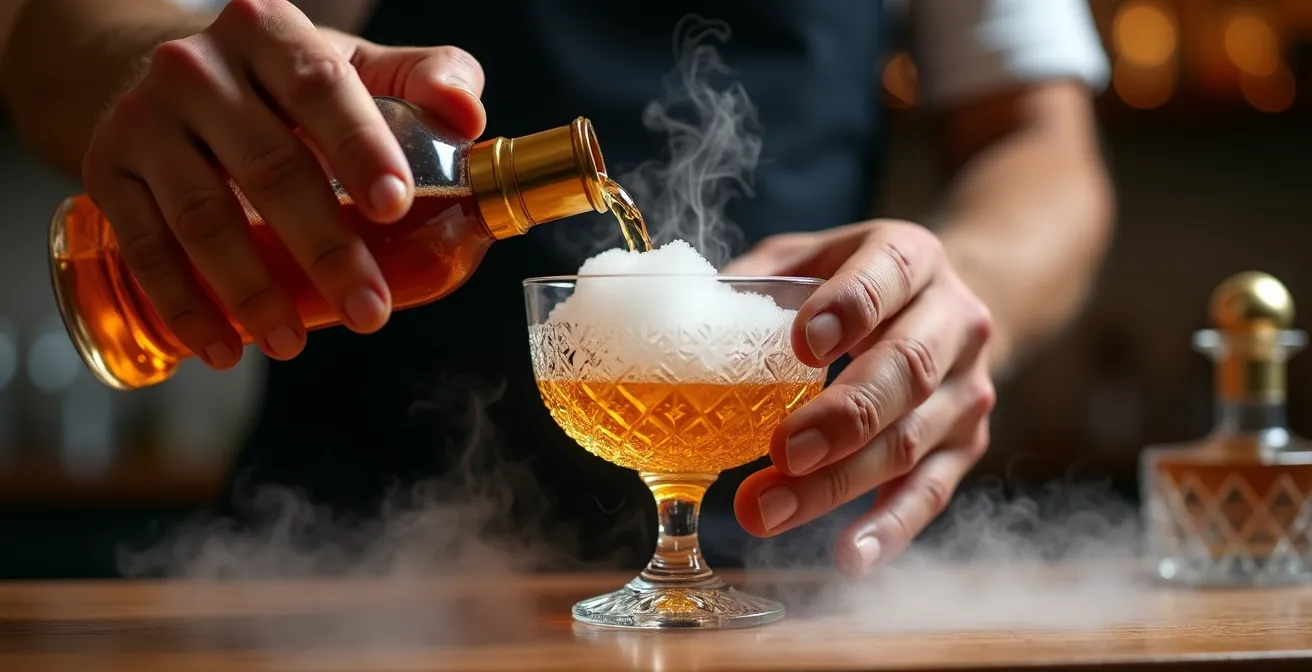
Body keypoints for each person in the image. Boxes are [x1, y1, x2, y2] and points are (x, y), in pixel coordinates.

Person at [0, 0, 1113, 576]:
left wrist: (970, 291)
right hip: (347, 578)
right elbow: (50, 32)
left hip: (791, 574)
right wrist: (150, 64)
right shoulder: (439, 220)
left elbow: (1040, 144)